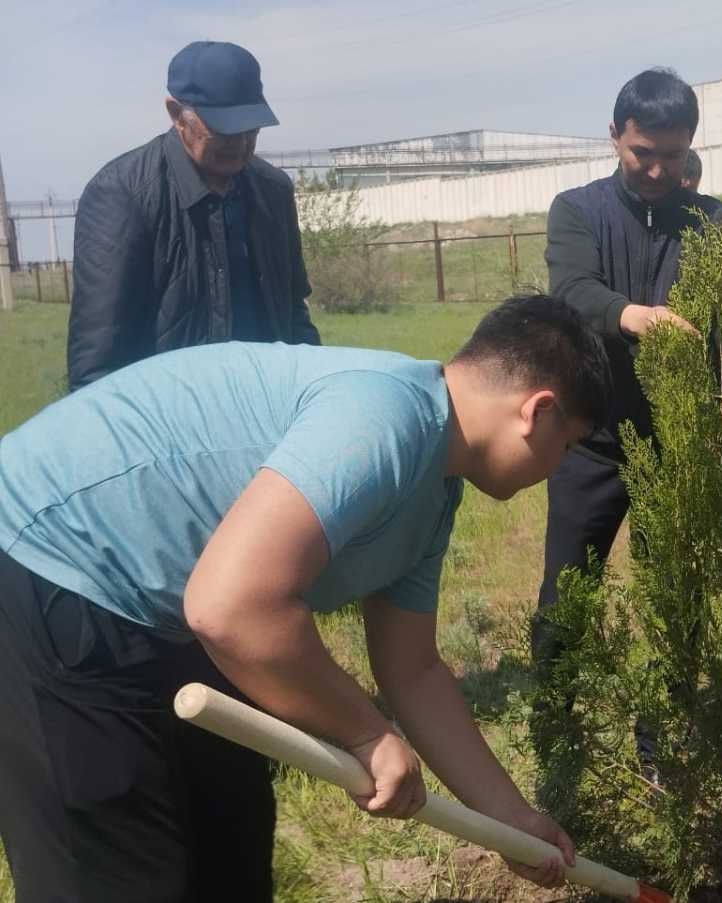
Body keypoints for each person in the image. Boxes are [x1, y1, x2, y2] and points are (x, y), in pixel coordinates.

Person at [0, 295, 608, 902]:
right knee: (118, 871)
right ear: (538, 411)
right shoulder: (386, 417)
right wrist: (366, 735)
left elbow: (413, 670)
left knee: (230, 842)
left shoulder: (435, 491)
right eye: (569, 446)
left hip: (163, 604)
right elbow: (231, 608)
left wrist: (510, 818)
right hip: (47, 561)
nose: (558, 470)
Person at [534, 68, 722, 771]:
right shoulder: (576, 211)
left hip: (680, 445)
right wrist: (636, 317)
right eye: (641, 152)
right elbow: (573, 291)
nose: (655, 170)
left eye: (671, 156)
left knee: (675, 603)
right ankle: (556, 742)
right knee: (566, 599)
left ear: (691, 148)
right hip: (589, 441)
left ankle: (661, 751)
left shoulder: (713, 222)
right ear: (615, 136)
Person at [67, 40, 320, 391]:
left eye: (251, 129)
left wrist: (313, 390)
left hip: (267, 406)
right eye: (223, 129)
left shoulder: (273, 191)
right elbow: (97, 361)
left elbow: (292, 313)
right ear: (175, 113)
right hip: (171, 421)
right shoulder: (122, 194)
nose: (240, 142)